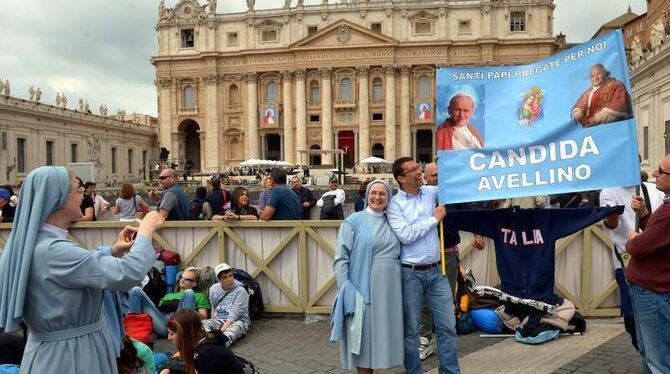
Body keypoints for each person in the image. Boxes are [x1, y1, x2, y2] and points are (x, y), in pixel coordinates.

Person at [0, 166, 164, 373]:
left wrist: (112, 251)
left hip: (56, 352)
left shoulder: (35, 244)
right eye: (78, 190)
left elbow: (75, 267)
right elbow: (129, 273)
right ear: (58, 198)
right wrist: (146, 232)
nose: (83, 196)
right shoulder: (53, 250)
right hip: (74, 356)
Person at [386, 157, 459, 374]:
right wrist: (434, 219)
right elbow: (406, 235)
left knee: (448, 327)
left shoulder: (430, 192)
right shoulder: (394, 205)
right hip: (410, 274)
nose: (419, 172)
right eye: (413, 170)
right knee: (411, 332)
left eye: (418, 167)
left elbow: (453, 186)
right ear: (401, 178)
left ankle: (450, 372)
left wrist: (448, 162)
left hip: (437, 271)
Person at [330, 180, 403, 372]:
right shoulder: (353, 221)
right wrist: (345, 287)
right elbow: (340, 258)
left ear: (389, 198)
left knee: (382, 342)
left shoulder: (395, 221)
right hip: (364, 290)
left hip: (390, 291)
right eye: (373, 193)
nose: (377, 197)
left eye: (382, 194)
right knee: (364, 346)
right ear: (367, 195)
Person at [417, 162, 485, 361]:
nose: (438, 177)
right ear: (426, 178)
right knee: (424, 300)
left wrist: (478, 235)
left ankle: (447, 340)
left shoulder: (453, 195)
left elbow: (471, 214)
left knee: (446, 299)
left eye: (441, 174)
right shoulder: (420, 196)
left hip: (447, 254)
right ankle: (425, 339)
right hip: (425, 255)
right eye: (434, 174)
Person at [601, 174, 665, 351]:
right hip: (627, 261)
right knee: (631, 315)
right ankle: (645, 351)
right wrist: (612, 216)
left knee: (659, 311)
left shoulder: (654, 189)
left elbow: (659, 225)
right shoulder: (609, 192)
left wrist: (644, 216)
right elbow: (611, 225)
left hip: (657, 262)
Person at [626, 154, 670, 373]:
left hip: (653, 293)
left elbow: (640, 247)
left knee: (657, 360)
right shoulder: (666, 208)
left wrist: (633, 240)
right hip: (651, 291)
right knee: (650, 354)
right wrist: (644, 215)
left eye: (661, 171)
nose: (654, 174)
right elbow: (658, 235)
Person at [128, 268, 211, 338]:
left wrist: (187, 308)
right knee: (136, 290)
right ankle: (132, 334)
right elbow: (158, 310)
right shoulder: (169, 295)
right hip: (162, 323)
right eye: (181, 277)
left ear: (194, 283)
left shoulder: (199, 295)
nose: (182, 280)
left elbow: (204, 317)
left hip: (178, 324)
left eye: (187, 279)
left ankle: (186, 336)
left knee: (189, 292)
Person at [159, 309, 244, 374]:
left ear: (185, 334)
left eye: (171, 334)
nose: (168, 338)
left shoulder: (206, 353)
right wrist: (170, 371)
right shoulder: (199, 344)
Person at [202, 263, 251, 347]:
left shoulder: (241, 291)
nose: (229, 279)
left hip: (237, 321)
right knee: (201, 324)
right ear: (219, 280)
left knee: (233, 330)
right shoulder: (214, 289)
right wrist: (212, 322)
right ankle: (207, 340)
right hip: (219, 319)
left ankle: (218, 345)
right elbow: (214, 307)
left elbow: (234, 315)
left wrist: (220, 333)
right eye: (225, 277)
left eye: (230, 275)